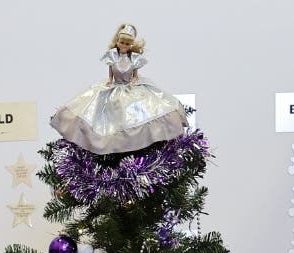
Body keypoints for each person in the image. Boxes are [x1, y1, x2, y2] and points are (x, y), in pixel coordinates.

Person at [49, 22, 189, 155]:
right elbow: (110, 75)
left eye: (127, 43)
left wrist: (132, 83)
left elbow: (135, 75)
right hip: (115, 87)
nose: (124, 45)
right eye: (122, 42)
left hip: (129, 87)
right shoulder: (112, 57)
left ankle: (137, 141)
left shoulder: (134, 58)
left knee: (142, 110)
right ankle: (109, 143)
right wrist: (110, 81)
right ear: (117, 41)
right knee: (103, 110)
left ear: (131, 45)